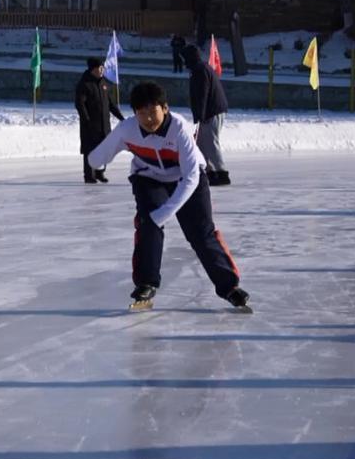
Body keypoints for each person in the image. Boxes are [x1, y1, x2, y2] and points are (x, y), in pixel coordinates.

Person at [87, 81, 249, 311]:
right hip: (148, 178)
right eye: (141, 114)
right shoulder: (127, 129)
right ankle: (146, 284)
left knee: (201, 233)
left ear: (165, 108)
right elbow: (96, 159)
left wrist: (164, 213)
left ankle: (229, 287)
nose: (148, 119)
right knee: (147, 224)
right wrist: (100, 150)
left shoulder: (179, 128)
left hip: (187, 180)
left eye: (152, 112)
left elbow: (192, 177)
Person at [180, 44, 231, 186]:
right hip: (211, 110)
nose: (183, 62)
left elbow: (202, 94)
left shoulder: (200, 70)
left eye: (184, 58)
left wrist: (200, 115)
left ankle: (221, 173)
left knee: (210, 142)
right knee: (202, 143)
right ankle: (210, 172)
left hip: (212, 111)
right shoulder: (200, 68)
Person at [75, 57, 125, 184]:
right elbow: (80, 104)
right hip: (90, 125)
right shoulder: (84, 84)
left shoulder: (103, 83)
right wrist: (87, 121)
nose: (102, 70)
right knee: (90, 150)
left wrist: (121, 118)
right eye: (99, 68)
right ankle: (89, 175)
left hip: (104, 124)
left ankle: (100, 173)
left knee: (104, 149)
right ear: (92, 69)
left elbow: (111, 104)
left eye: (103, 67)